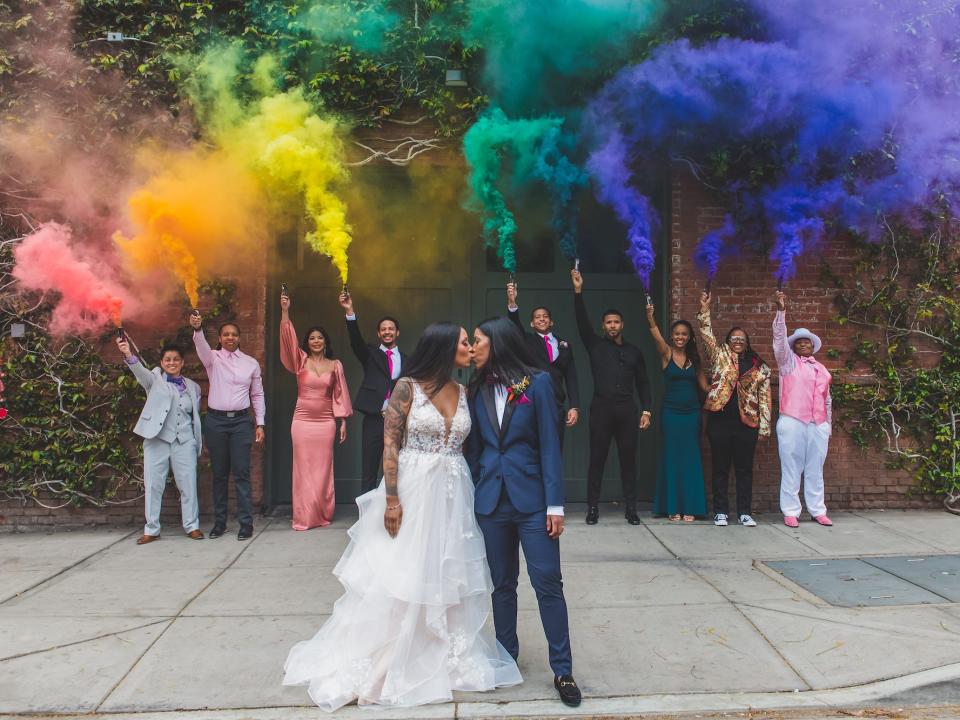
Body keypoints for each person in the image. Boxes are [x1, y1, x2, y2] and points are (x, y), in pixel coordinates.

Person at [283, 322, 521, 711]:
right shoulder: (407, 387)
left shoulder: (464, 391)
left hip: (453, 491)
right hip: (412, 489)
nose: (469, 347)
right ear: (445, 347)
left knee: (446, 570)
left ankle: (442, 650)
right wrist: (392, 498)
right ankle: (390, 657)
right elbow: (390, 441)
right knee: (405, 569)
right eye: (464, 342)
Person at [467, 316, 580, 707]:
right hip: (492, 503)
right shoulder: (475, 387)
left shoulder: (540, 383)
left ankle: (563, 670)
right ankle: (506, 659)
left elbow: (551, 444)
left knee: (548, 581)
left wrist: (555, 504)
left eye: (477, 341)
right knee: (502, 585)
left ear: (496, 344)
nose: (471, 348)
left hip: (533, 503)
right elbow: (476, 449)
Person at [571, 269, 652, 526]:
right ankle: (592, 507)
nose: (612, 326)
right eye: (608, 322)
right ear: (603, 326)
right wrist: (578, 292)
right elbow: (581, 321)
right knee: (597, 459)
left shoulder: (634, 352)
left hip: (627, 409)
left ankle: (631, 508)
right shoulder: (595, 345)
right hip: (602, 408)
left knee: (629, 460)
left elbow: (643, 382)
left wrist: (647, 410)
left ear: (622, 325)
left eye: (616, 322)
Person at [117, 336, 204, 544]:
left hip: (184, 441)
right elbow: (140, 372)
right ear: (162, 363)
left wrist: (193, 440)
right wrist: (128, 353)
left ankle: (192, 526)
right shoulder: (154, 380)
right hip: (157, 440)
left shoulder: (193, 387)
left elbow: (194, 416)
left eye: (176, 359)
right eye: (167, 360)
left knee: (188, 485)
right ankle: (152, 529)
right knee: (154, 485)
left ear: (182, 362)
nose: (172, 363)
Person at [697, 292, 771, 527]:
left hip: (746, 423)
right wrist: (704, 311)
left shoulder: (759, 366)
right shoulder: (719, 356)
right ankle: (720, 511)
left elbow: (765, 397)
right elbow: (706, 335)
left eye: (741, 338)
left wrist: (764, 426)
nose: (737, 341)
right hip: (720, 419)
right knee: (719, 467)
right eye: (733, 338)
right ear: (728, 341)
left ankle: (744, 512)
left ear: (747, 342)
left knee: (744, 469)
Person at [280, 292, 352, 530]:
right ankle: (304, 516)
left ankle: (321, 513)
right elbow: (288, 339)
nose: (316, 341)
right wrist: (285, 310)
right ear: (307, 342)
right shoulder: (299, 361)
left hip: (325, 422)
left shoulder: (335, 365)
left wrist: (342, 421)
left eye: (320, 337)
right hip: (302, 421)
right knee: (303, 469)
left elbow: (340, 394)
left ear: (325, 341)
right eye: (312, 338)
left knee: (323, 469)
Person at [190, 312, 265, 541]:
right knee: (220, 474)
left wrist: (260, 423)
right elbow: (201, 345)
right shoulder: (212, 359)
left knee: (242, 473)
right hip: (216, 422)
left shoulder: (250, 363)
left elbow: (257, 394)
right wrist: (198, 328)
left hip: (242, 422)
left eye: (234, 334)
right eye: (226, 335)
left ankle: (245, 524)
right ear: (220, 338)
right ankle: (220, 523)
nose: (230, 338)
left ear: (239, 338)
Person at [773, 291, 834, 528]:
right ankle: (790, 511)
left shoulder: (822, 368)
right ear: (795, 347)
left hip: (817, 423)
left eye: (807, 341)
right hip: (793, 420)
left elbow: (827, 399)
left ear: (813, 345)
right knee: (791, 466)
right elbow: (779, 340)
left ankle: (818, 510)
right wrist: (781, 311)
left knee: (815, 468)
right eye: (799, 342)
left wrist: (827, 425)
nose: (804, 344)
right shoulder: (788, 364)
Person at [646, 303, 709, 521]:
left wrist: (728, 383)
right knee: (672, 458)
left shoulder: (695, 360)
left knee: (691, 459)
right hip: (671, 414)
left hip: (692, 414)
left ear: (689, 337)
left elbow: (705, 388)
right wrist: (650, 317)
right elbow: (655, 336)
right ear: (672, 336)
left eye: (684, 334)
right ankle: (672, 506)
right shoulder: (666, 354)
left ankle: (691, 506)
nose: (680, 337)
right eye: (676, 334)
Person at [338, 290, 405, 494]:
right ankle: (365, 517)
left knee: (397, 469)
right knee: (369, 470)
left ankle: (394, 512)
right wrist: (350, 312)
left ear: (397, 333)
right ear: (378, 334)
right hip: (375, 420)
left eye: (391, 329)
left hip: (399, 422)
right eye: (383, 329)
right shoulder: (370, 354)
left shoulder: (407, 359)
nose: (387, 332)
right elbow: (356, 341)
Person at [505, 281, 581, 446]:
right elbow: (515, 326)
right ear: (532, 323)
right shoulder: (527, 341)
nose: (542, 319)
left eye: (545, 316)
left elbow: (571, 377)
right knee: (533, 446)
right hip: (533, 402)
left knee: (555, 446)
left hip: (557, 403)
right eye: (537, 317)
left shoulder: (564, 344)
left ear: (551, 322)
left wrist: (574, 406)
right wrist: (512, 302)